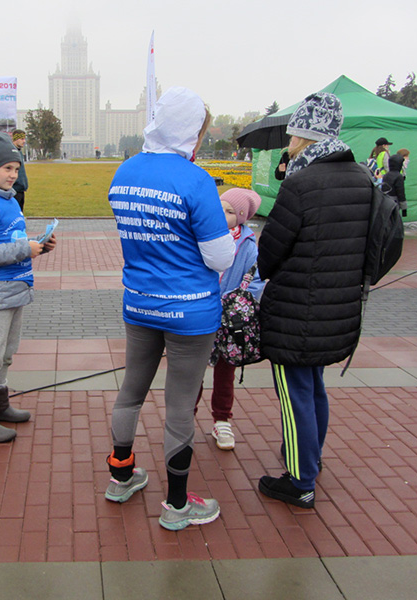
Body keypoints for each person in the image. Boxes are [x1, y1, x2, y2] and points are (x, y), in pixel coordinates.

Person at [103, 87, 235, 531]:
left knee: (131, 390)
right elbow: (220, 258)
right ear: (190, 132)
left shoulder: (124, 172)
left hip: (139, 304)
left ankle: (121, 476)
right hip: (191, 314)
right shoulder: (194, 179)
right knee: (179, 405)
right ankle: (177, 505)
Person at [257, 92, 372, 509]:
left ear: (302, 134)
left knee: (294, 393)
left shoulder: (301, 183)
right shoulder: (363, 178)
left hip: (295, 309)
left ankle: (300, 479)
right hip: (338, 308)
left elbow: (270, 251)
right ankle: (311, 458)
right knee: (315, 386)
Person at [0, 131, 56, 443]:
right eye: (7, 169)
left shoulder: (10, 201)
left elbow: (13, 242)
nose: (13, 175)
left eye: (16, 170)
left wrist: (40, 246)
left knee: (6, 353)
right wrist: (23, 249)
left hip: (15, 286)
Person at [200, 188, 264, 451]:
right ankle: (184, 416)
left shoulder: (248, 244)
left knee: (226, 370)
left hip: (230, 319)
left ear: (241, 217)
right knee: (192, 370)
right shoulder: (203, 234)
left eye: (230, 212)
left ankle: (221, 418)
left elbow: (256, 279)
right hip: (201, 313)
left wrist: (236, 301)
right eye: (220, 208)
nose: (222, 215)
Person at [11, 129, 28, 212]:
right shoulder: (12, 152)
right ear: (15, 139)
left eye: (24, 139)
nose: (24, 141)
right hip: (14, 190)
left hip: (21, 189)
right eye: (21, 139)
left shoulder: (19, 152)